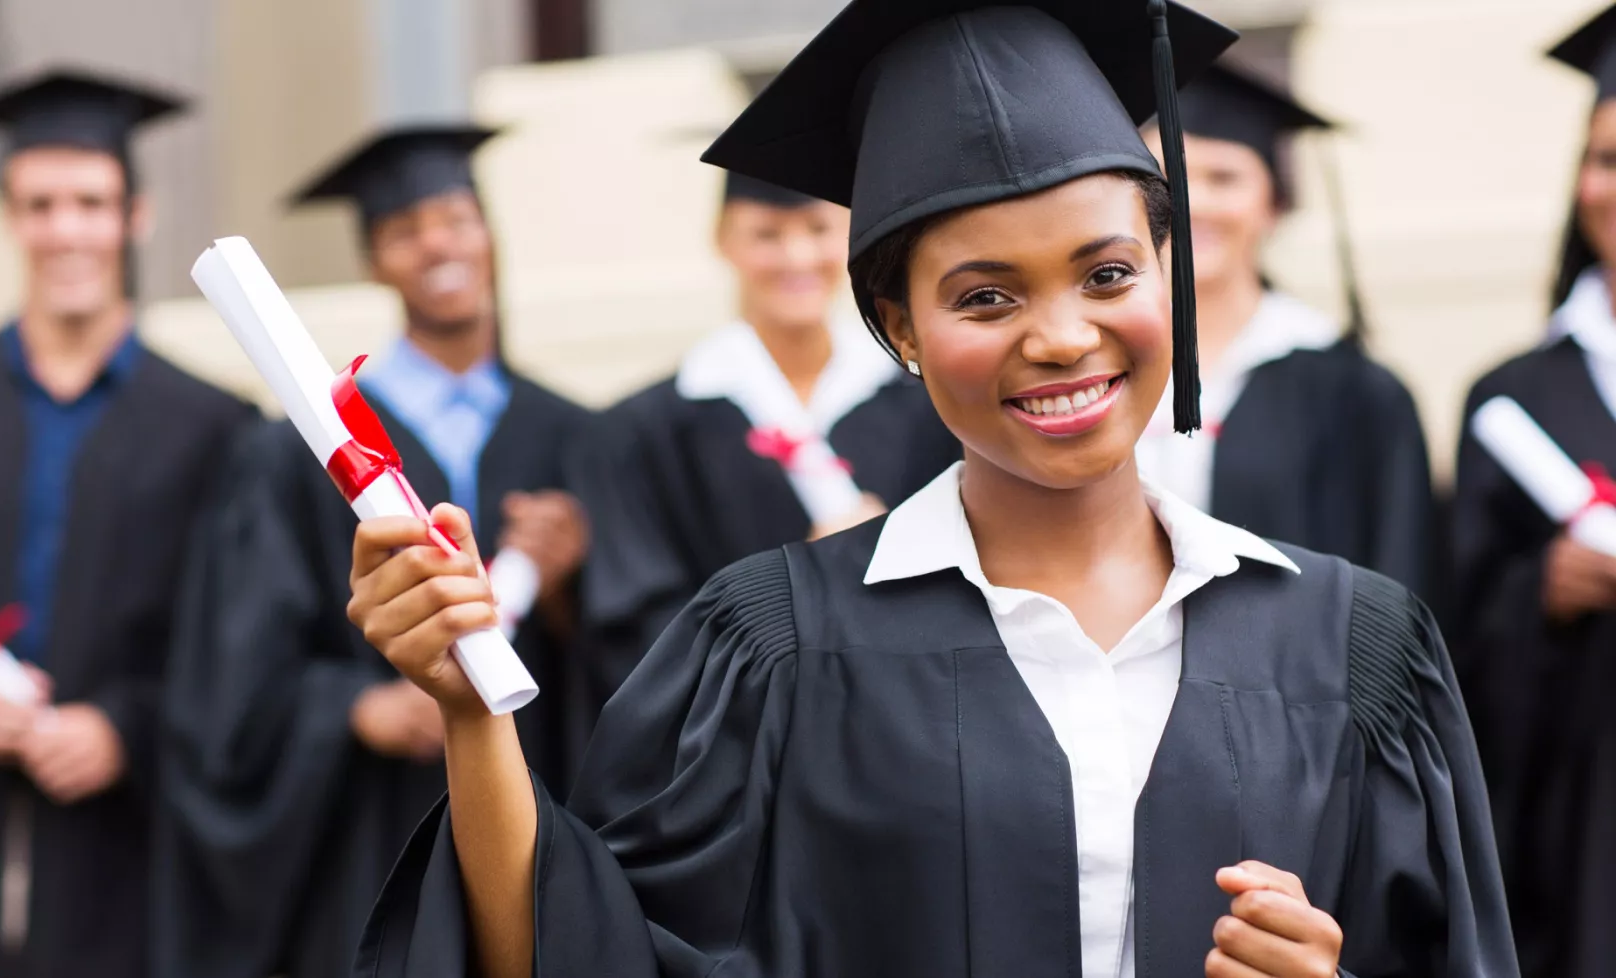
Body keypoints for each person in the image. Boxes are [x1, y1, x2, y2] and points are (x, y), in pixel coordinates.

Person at [350, 3, 1517, 977]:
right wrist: (471, 712)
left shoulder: (1353, 649)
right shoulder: (773, 649)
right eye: (986, 297)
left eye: (1108, 272)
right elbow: (582, 951)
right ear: (899, 327)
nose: (1062, 336)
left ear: (1171, 268)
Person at [154, 126, 591, 978]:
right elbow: (232, 668)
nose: (437, 243)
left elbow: (637, 666)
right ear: (374, 263)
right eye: (404, 229)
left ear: (490, 237)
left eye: (456, 218)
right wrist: (354, 710)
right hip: (363, 839)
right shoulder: (296, 455)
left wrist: (572, 589)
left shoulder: (577, 436)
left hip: (542, 824)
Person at [0, 69, 252, 978]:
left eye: (90, 202)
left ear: (135, 216)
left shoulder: (214, 428)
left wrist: (129, 729)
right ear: (10, 217)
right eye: (41, 205)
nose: (65, 230)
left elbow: (235, 647)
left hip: (127, 854)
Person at [574, 169, 958, 700]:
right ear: (722, 239)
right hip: (744, 740)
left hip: (911, 709)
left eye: (818, 229)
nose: (797, 257)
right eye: (767, 235)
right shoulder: (643, 432)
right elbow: (641, 632)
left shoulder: (931, 406)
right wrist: (803, 592)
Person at [1134, 61, 1438, 600]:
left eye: (1223, 178)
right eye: (1165, 178)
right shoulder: (1088, 368)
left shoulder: (1358, 394)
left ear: (1275, 204)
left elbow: (1399, 589)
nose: (1191, 202)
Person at [1451, 6, 1616, 974]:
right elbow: (1456, 627)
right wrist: (1543, 591)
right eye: (1603, 159)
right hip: (1581, 837)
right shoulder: (1515, 396)